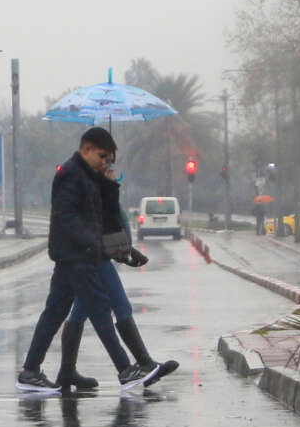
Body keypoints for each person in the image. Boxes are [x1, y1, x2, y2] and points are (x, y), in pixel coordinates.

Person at [16, 127, 158, 392]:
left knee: (55, 313)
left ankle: (30, 371)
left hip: (76, 256)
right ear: (87, 148)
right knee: (100, 310)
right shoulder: (71, 174)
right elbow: (66, 217)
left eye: (110, 160)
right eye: (103, 156)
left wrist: (108, 181)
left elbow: (103, 212)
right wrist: (92, 243)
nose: (105, 162)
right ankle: (125, 370)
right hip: (78, 256)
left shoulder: (88, 175)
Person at [61, 157, 178, 389]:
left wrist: (129, 250)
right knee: (120, 306)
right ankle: (142, 364)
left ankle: (66, 372)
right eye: (111, 170)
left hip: (95, 258)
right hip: (96, 260)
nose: (115, 174)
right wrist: (126, 251)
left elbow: (111, 229)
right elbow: (104, 231)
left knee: (79, 313)